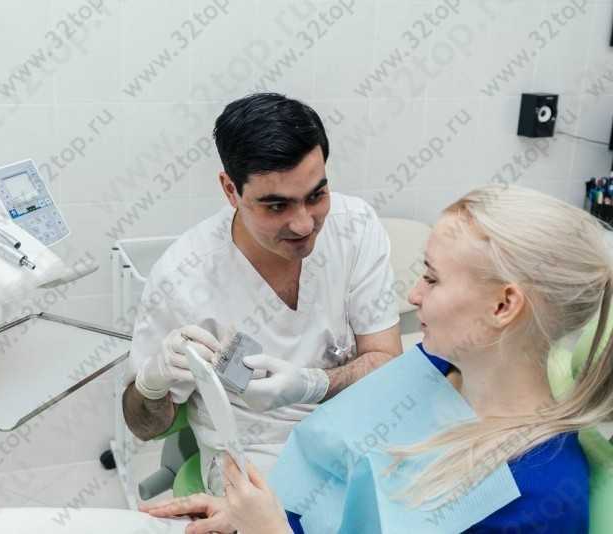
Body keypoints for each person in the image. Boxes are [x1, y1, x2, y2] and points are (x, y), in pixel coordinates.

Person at [143, 184, 612, 533]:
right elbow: (337, 487)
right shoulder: (433, 368)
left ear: (503, 305)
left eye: (432, 279)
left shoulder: (538, 496)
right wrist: (254, 516)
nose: (414, 294)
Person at [123, 93, 403, 494]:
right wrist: (152, 383)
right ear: (230, 190)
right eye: (276, 206)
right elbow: (144, 426)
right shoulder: (183, 275)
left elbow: (386, 360)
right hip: (254, 457)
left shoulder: (354, 227)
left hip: (357, 432)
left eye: (316, 196)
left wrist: (315, 384)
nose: (304, 224)